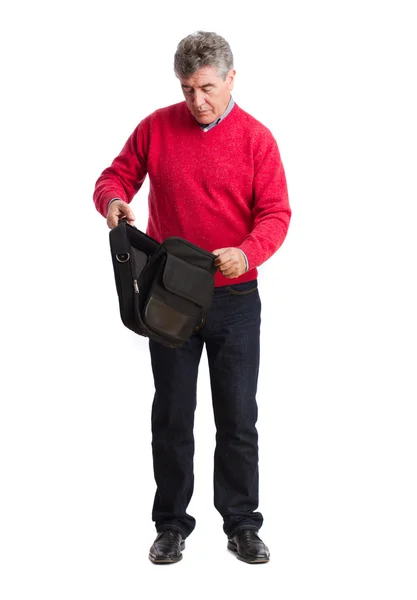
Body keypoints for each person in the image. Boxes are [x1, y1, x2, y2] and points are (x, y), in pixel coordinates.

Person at [93, 31, 291, 564]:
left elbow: (276, 215)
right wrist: (113, 202)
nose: (196, 101)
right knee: (173, 417)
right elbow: (114, 177)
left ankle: (242, 524)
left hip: (234, 298)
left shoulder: (257, 139)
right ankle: (171, 525)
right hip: (171, 297)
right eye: (186, 89)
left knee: (237, 418)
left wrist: (248, 253)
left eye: (206, 87)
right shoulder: (157, 127)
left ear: (231, 79)